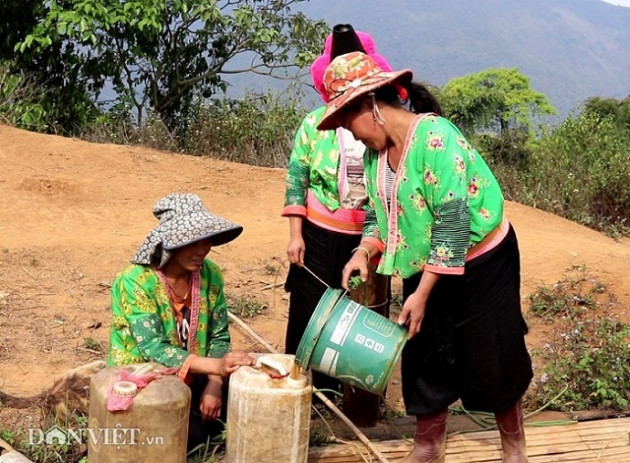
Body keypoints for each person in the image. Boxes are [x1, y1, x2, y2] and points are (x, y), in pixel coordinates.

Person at [317, 52, 533, 463]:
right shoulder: (374, 156)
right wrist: (365, 251)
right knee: (425, 354)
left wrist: (423, 293)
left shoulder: (436, 136)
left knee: (492, 353)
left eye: (348, 121)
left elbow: (452, 221)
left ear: (371, 106)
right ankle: (428, 446)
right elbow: (381, 216)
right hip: (422, 260)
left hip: (481, 262)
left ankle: (514, 449)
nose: (351, 133)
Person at [282, 24, 392, 395]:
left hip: (366, 238)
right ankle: (304, 393)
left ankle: (352, 395)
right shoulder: (314, 124)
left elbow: (383, 194)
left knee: (357, 315)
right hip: (317, 233)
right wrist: (296, 235)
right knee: (309, 311)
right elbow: (297, 178)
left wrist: (369, 244)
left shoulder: (381, 126)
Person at [107, 193, 255, 451]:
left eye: (206, 240)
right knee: (188, 439)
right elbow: (153, 347)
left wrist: (215, 383)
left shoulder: (210, 274)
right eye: (192, 242)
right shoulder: (135, 281)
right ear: (169, 244)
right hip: (148, 379)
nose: (202, 250)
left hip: (195, 373)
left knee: (249, 403)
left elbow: (219, 336)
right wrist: (216, 366)